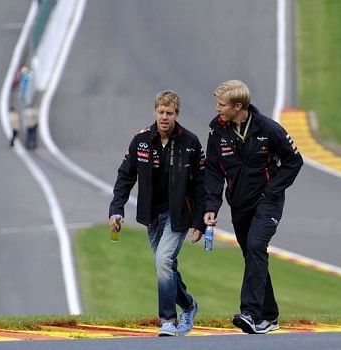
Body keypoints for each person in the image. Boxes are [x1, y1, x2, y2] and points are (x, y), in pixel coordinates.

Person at [204, 80, 303, 334]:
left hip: (267, 202)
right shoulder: (217, 131)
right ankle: (268, 316)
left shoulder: (269, 129)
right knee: (252, 255)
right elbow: (213, 171)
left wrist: (272, 190)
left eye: (222, 105)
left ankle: (249, 312)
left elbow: (294, 161)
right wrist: (211, 206)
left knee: (257, 246)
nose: (217, 109)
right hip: (239, 204)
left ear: (238, 106)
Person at [108, 90, 205, 337]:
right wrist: (116, 209)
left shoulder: (190, 143)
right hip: (151, 215)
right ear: (155, 112)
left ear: (177, 115)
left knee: (163, 261)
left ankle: (168, 320)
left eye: (169, 113)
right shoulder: (140, 141)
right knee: (165, 265)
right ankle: (189, 305)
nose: (164, 117)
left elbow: (200, 185)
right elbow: (125, 176)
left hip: (179, 215)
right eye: (160, 112)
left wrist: (199, 221)